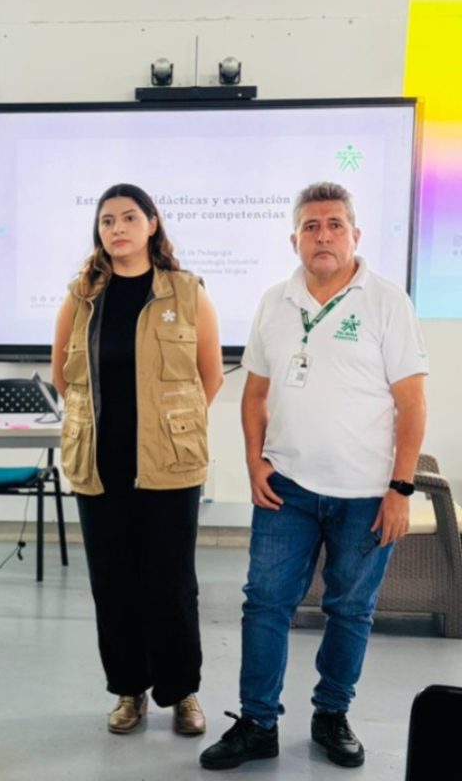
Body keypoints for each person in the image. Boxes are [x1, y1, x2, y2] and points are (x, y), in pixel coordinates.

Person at [199, 182, 428, 770]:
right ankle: (257, 722)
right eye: (310, 226)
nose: (322, 235)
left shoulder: (386, 302)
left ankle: (331, 714)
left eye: (333, 224)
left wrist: (400, 489)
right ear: (295, 237)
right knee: (264, 604)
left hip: (365, 495)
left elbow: (412, 404)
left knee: (351, 610)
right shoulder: (275, 300)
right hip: (289, 490)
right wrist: (254, 461)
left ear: (354, 233)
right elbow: (253, 393)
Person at [51, 183, 224, 737]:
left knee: (170, 582)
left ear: (153, 223)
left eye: (129, 217)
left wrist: (168, 428)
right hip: (99, 464)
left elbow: (209, 377)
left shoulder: (186, 290)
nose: (117, 229)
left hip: (169, 465)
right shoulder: (82, 296)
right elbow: (63, 375)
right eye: (106, 221)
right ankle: (129, 690)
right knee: (113, 582)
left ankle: (182, 692)